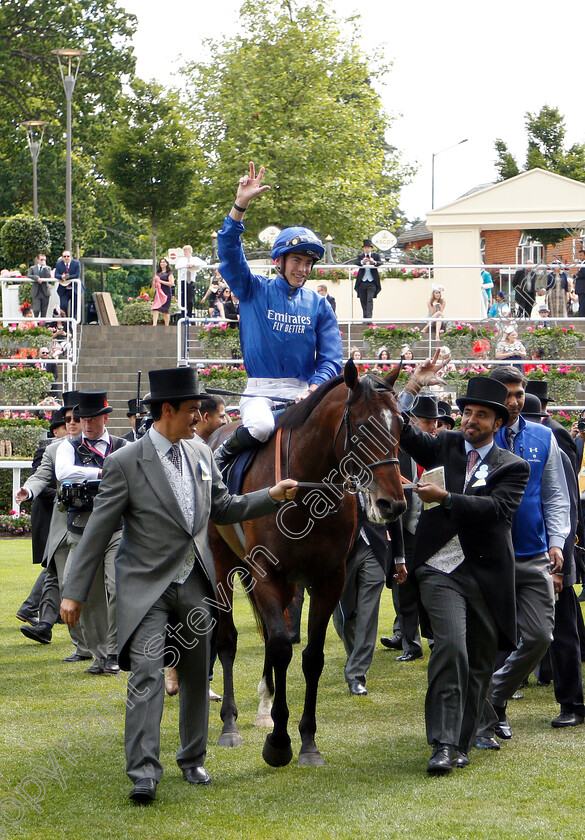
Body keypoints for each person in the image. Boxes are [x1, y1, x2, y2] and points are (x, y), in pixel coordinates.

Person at [60, 366, 298, 804]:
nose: (198, 418)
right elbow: (97, 530)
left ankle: (193, 758)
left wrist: (273, 495)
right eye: (192, 410)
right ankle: (144, 773)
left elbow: (223, 508)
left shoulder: (203, 455)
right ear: (166, 410)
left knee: (193, 675)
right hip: (144, 587)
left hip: (196, 583)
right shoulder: (124, 462)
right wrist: (73, 591)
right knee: (147, 675)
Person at [397, 375, 530, 773]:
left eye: (481, 415)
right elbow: (400, 429)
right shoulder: (445, 443)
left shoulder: (514, 467)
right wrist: (412, 388)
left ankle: (462, 741)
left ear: (498, 423)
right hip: (439, 567)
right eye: (467, 412)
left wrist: (447, 499)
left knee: (479, 662)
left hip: (487, 574)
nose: (470, 420)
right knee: (451, 647)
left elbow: (497, 510)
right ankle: (441, 743)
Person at [214, 162, 342, 463]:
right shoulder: (252, 288)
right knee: (260, 427)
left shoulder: (319, 304)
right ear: (279, 262)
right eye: (297, 260)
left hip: (304, 394)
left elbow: (331, 359)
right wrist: (240, 205)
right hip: (260, 392)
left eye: (308, 263)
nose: (303, 269)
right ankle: (220, 458)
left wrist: (313, 389)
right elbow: (229, 252)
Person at [475, 366, 570, 750]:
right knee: (483, 643)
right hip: (485, 556)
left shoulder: (543, 436)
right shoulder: (476, 436)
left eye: (519, 394)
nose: (514, 401)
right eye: (507, 394)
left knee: (539, 636)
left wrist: (558, 540)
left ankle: (492, 699)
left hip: (533, 554)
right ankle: (484, 719)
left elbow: (555, 495)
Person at [56, 390, 128, 675]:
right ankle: (97, 652)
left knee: (116, 587)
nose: (86, 424)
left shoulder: (123, 444)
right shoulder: (68, 446)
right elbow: (64, 472)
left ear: (105, 417)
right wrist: (103, 472)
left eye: (92, 418)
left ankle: (113, 651)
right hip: (81, 529)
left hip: (117, 528)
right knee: (79, 591)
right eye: (82, 419)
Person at [353, 239, 382, 320]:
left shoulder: (375, 255)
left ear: (371, 248)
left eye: (368, 247)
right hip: (362, 282)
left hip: (372, 282)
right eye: (365, 247)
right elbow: (356, 262)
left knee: (370, 300)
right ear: (363, 248)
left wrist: (374, 262)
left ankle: (369, 318)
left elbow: (380, 263)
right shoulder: (360, 256)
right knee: (363, 300)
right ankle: (365, 318)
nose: (367, 249)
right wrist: (362, 262)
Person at [175, 245, 205, 319]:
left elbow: (204, 264)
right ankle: (183, 315)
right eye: (185, 251)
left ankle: (189, 315)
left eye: (187, 251)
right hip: (183, 280)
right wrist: (186, 265)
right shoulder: (182, 260)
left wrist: (193, 265)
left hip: (191, 281)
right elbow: (177, 266)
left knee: (190, 299)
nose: (186, 252)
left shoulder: (195, 259)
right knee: (183, 299)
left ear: (191, 251)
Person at [54, 250, 81, 318]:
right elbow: (56, 275)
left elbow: (77, 275)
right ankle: (65, 322)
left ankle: (72, 324)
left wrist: (66, 277)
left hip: (74, 289)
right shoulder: (59, 264)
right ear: (62, 257)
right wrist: (61, 277)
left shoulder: (76, 263)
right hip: (64, 290)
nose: (66, 258)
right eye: (64, 256)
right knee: (63, 306)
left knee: (75, 308)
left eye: (68, 256)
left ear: (71, 257)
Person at [151, 258, 175, 327]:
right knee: (156, 308)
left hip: (166, 292)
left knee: (166, 309)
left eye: (164, 262)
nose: (162, 263)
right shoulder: (158, 273)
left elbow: (171, 283)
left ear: (167, 263)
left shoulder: (169, 273)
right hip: (158, 292)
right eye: (161, 262)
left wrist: (161, 281)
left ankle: (166, 325)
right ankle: (154, 324)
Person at [27, 253, 52, 317]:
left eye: (44, 260)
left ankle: (42, 325)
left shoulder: (48, 268)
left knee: (44, 311)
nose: (43, 261)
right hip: (36, 292)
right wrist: (36, 278)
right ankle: (35, 324)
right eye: (41, 260)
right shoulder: (33, 268)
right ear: (38, 260)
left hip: (45, 292)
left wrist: (44, 268)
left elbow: (49, 276)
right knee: (36, 309)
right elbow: (28, 275)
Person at [573, 249, 585, 317]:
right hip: (581, 289)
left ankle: (581, 317)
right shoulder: (582, 264)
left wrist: (575, 276)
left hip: (583, 289)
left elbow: (582, 274)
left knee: (582, 304)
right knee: (581, 303)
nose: (579, 257)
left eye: (581, 255)